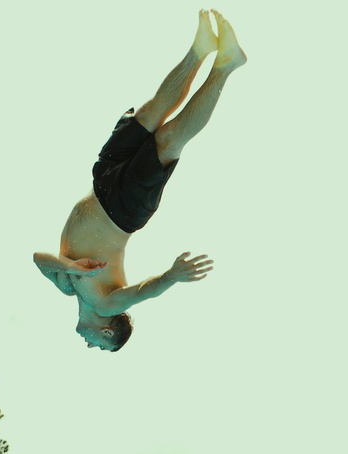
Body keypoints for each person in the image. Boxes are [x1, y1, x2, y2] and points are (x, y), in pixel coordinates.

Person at [33, 9, 246, 351]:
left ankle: (201, 49)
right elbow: (144, 291)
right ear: (106, 332)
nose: (90, 345)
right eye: (99, 346)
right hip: (124, 208)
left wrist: (69, 266)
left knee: (149, 113)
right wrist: (171, 277)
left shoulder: (69, 286)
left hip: (102, 184)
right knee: (169, 139)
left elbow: (37, 258)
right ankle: (225, 67)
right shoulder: (106, 305)